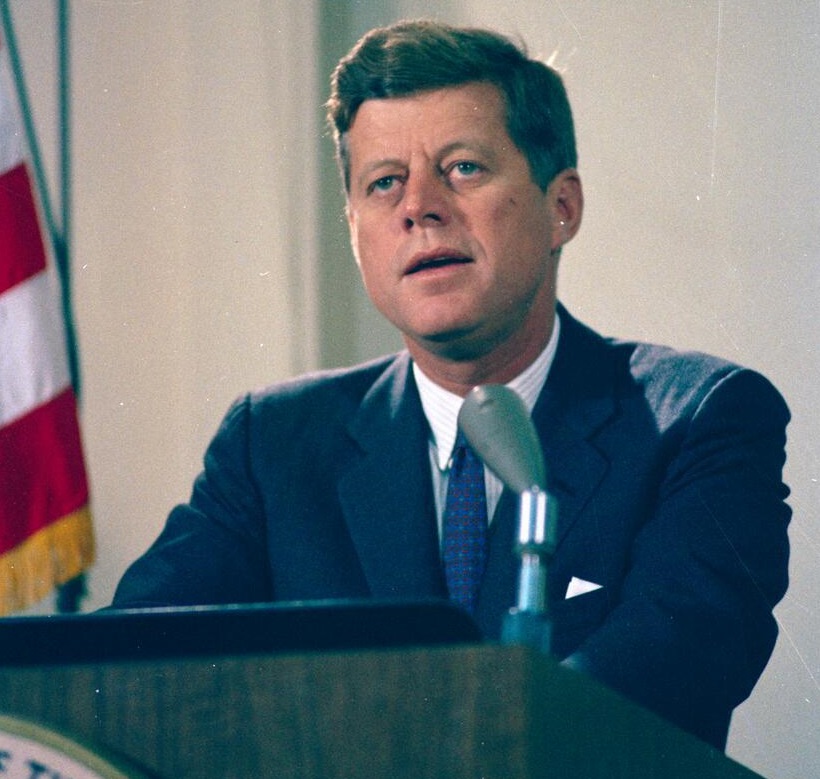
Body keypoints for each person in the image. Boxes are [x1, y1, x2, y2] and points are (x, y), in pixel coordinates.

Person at [112, 20, 791, 750]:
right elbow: (116, 674)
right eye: (383, 183)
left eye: (462, 168)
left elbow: (666, 679)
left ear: (561, 206)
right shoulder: (270, 444)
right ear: (355, 231)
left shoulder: (700, 420)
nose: (418, 208)